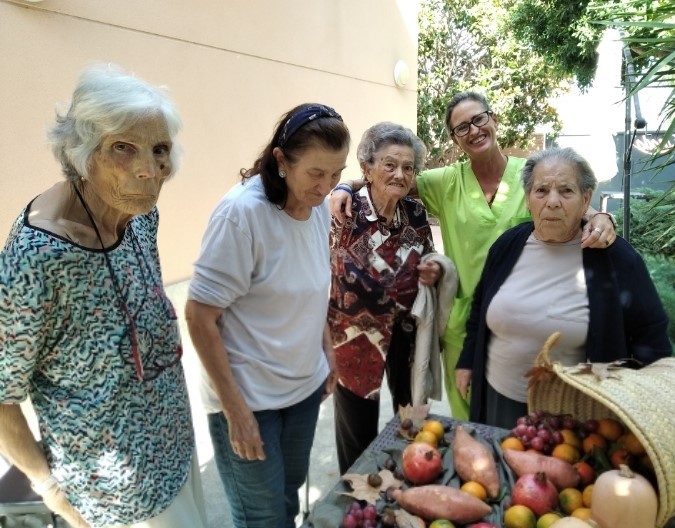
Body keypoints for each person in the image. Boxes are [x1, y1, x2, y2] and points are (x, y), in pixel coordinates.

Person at [0, 64, 207, 528]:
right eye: (122, 147)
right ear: (82, 152)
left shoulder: (139, 217)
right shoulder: (38, 257)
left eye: (159, 150)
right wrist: (51, 491)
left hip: (175, 452)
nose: (149, 170)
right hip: (116, 494)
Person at [330, 91, 617, 420]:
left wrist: (598, 216)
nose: (474, 130)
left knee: (528, 419)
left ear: (494, 120)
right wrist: (346, 185)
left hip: (524, 321)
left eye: (479, 119)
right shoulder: (446, 181)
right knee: (467, 424)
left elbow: (567, 201)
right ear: (455, 138)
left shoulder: (531, 176)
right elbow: (391, 178)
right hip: (463, 325)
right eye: (462, 127)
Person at [185, 103, 348, 528]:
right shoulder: (242, 214)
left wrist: (327, 351)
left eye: (337, 174)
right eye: (316, 173)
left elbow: (311, 286)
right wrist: (234, 411)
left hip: (302, 390)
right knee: (262, 518)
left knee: (287, 500)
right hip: (248, 399)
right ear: (281, 160)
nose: (326, 187)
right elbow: (199, 317)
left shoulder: (316, 208)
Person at [455, 147, 673, 429]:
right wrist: (467, 361)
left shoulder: (617, 259)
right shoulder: (508, 245)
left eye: (566, 191)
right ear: (528, 198)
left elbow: (651, 338)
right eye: (541, 190)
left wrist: (645, 411)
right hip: (497, 398)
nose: (553, 202)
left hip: (573, 417)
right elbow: (479, 307)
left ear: (586, 199)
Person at [329, 122, 453, 474]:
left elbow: (427, 255)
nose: (400, 174)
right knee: (356, 432)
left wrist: (434, 269)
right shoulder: (344, 211)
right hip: (353, 339)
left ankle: (410, 475)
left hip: (407, 334)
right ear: (367, 168)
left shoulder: (414, 212)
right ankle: (358, 494)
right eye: (390, 164)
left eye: (408, 167)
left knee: (412, 416)